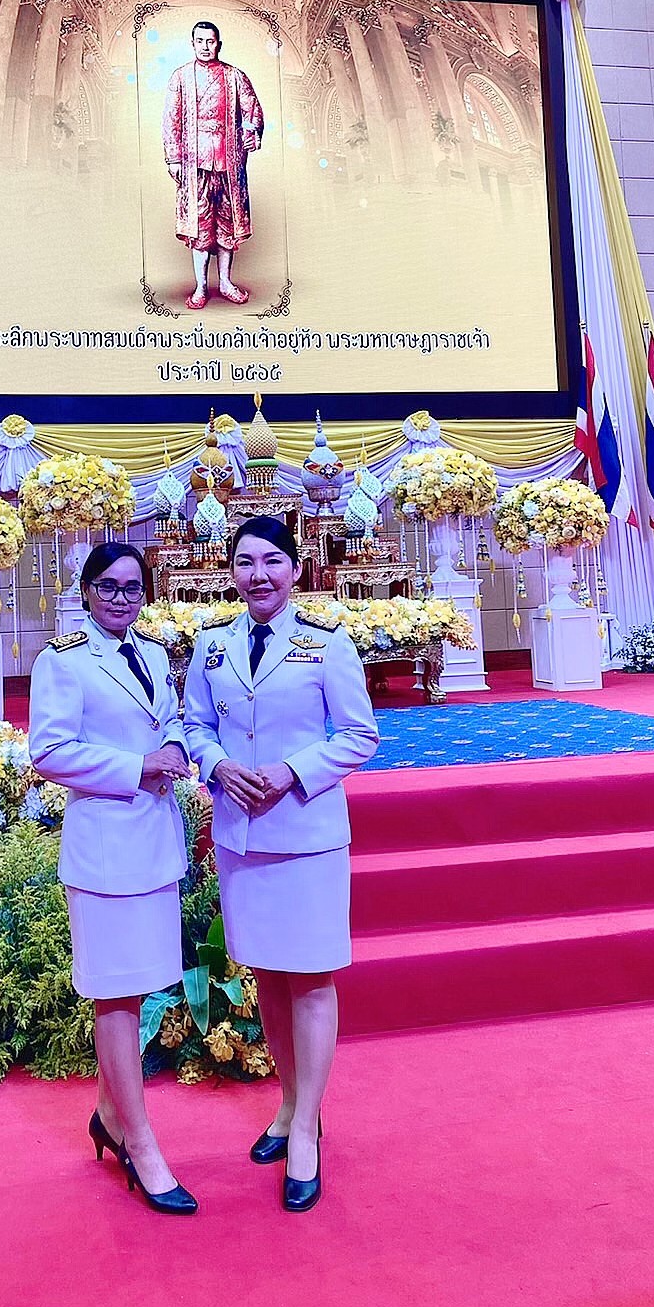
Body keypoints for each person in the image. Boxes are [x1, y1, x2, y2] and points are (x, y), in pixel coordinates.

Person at [183, 516, 379, 1212]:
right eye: (245, 562)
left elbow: (359, 735)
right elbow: (195, 726)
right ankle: (292, 1105)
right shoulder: (211, 645)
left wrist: (294, 771)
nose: (258, 575)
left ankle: (305, 1131)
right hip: (242, 837)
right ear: (231, 570)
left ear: (295, 570)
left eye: (272, 561)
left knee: (312, 977)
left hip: (306, 832)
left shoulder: (327, 643)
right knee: (266, 972)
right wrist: (217, 764)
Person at [29, 542, 198, 1215]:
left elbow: (170, 721)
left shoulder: (152, 653)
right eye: (108, 586)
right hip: (104, 849)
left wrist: (175, 747)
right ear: (86, 591)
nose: (121, 598)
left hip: (154, 841)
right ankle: (141, 1144)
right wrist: (137, 767)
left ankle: (107, 1113)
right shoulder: (63, 660)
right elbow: (49, 751)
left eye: (133, 587)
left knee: (138, 987)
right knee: (115, 996)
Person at [162, 20, 264, 311]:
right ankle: (201, 287)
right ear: (192, 43)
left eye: (210, 41)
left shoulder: (235, 77)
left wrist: (251, 132)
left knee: (227, 224)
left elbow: (252, 110)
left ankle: (226, 283)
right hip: (193, 164)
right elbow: (171, 119)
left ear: (218, 43)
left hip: (229, 162)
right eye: (200, 41)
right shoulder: (181, 77)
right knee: (199, 225)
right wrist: (173, 157)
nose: (205, 47)